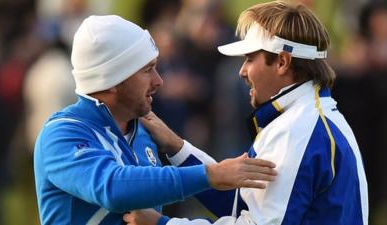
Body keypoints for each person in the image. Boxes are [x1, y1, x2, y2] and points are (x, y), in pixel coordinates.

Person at [124, 1, 369, 225]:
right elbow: (241, 204)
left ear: (282, 62)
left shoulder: (299, 129)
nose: (242, 71)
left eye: (250, 59)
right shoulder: (305, 118)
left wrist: (161, 224)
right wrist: (177, 147)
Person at [33, 15, 278, 225]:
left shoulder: (143, 131)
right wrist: (210, 173)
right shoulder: (62, 134)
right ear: (113, 79)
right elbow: (113, 188)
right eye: (147, 70)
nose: (159, 81)